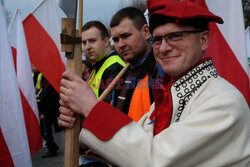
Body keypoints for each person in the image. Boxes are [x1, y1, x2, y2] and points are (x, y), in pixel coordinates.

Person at [59, 0, 250, 166]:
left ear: (203, 40)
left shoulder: (223, 101)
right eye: (158, 39)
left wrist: (92, 109)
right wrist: (85, 121)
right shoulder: (169, 95)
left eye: (176, 36)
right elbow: (135, 142)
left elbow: (156, 158)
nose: (164, 48)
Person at [110, 7, 159, 122]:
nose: (121, 44)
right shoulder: (120, 75)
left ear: (146, 32)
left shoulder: (160, 72)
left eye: (126, 36)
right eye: (116, 39)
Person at [82, 20, 125, 103]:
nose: (87, 47)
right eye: (84, 42)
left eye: (92, 41)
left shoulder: (114, 67)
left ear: (106, 41)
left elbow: (106, 109)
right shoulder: (99, 65)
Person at [38, 77, 60, 158]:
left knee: (46, 132)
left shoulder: (51, 87)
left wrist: (44, 113)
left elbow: (51, 102)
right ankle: (53, 147)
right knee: (44, 131)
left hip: (48, 114)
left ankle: (52, 150)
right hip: (45, 113)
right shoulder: (45, 86)